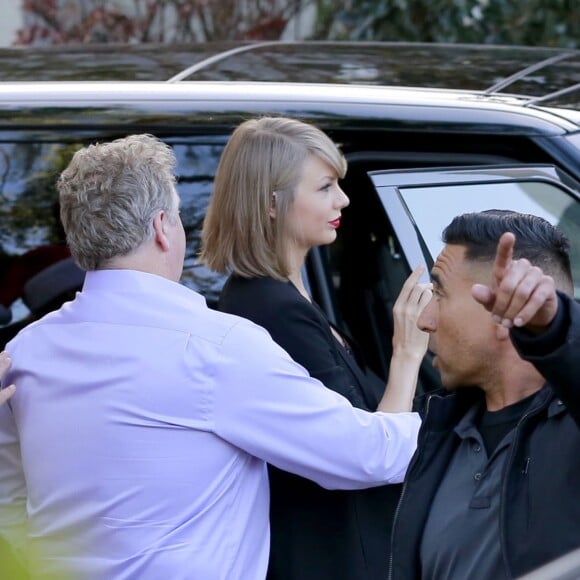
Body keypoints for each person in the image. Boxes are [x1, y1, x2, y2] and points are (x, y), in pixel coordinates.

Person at [0, 134, 425, 580]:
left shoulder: (26, 352)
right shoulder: (218, 349)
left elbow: (11, 503)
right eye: (181, 217)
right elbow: (367, 456)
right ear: (164, 227)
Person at [200, 116, 430, 580]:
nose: (342, 199)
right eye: (325, 187)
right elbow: (366, 449)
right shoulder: (271, 309)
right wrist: (406, 352)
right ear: (271, 203)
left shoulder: (286, 297)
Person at [389, 210, 580, 579]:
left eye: (439, 294)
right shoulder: (442, 431)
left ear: (501, 308)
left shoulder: (569, 430)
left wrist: (555, 325)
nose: (425, 320)